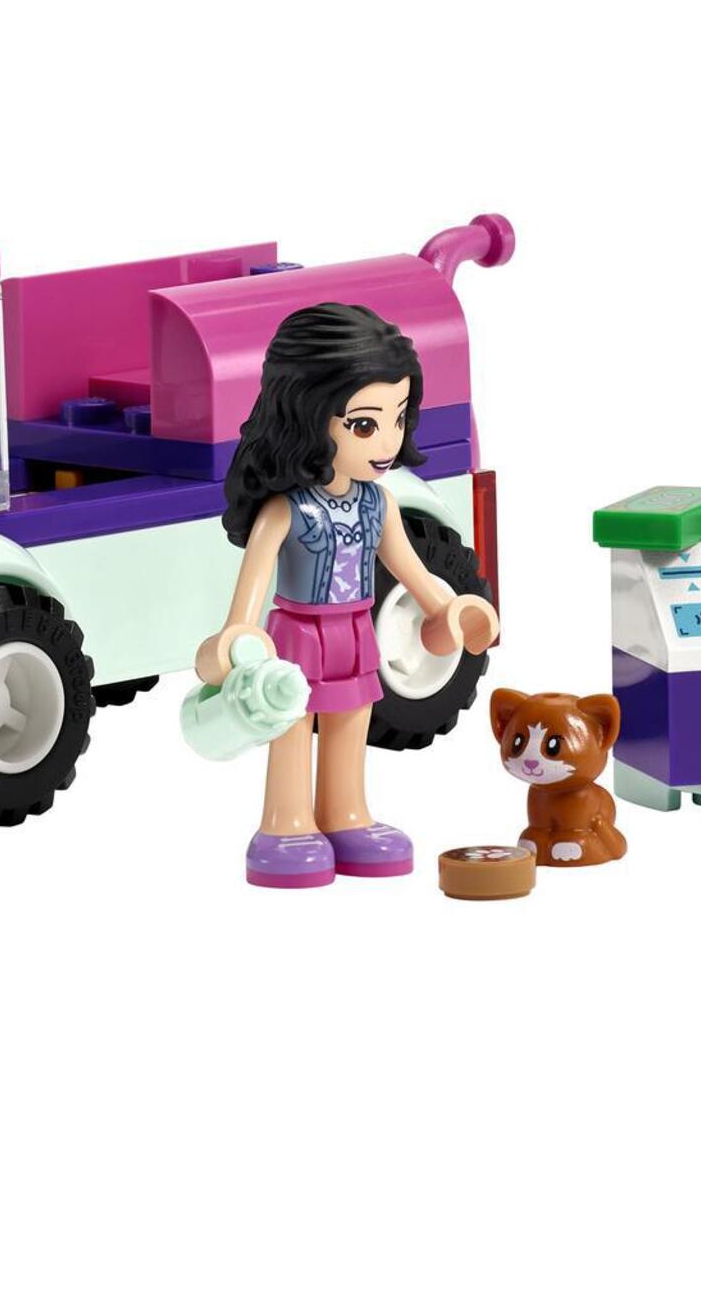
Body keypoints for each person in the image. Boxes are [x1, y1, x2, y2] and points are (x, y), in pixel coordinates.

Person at [200, 302, 499, 886]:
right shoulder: (286, 509)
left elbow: (413, 573)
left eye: (398, 418)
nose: (387, 441)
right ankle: (285, 822)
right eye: (365, 425)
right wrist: (237, 635)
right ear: (306, 416)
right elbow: (250, 593)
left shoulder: (378, 503)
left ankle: (346, 815)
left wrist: (451, 609)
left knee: (351, 723)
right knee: (291, 723)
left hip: (357, 630)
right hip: (298, 635)